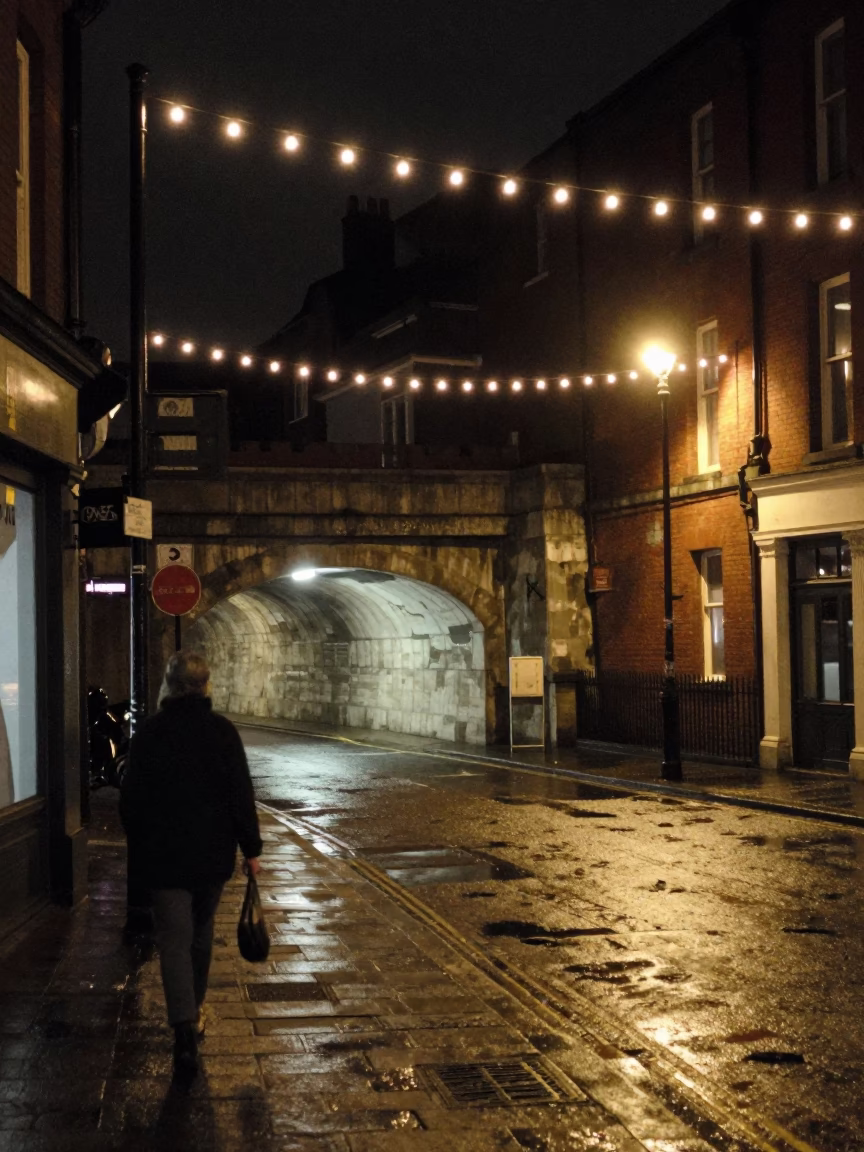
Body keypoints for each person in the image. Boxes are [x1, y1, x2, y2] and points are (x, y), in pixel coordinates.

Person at [120, 650, 262, 1078]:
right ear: (206, 686)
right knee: (200, 936)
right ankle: (193, 1011)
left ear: (168, 683)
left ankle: (183, 1029)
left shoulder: (150, 733)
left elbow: (131, 801)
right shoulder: (222, 733)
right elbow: (241, 794)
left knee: (174, 940)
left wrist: (140, 844)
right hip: (211, 856)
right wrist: (251, 850)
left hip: (163, 858)